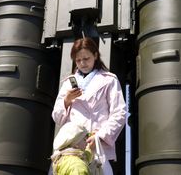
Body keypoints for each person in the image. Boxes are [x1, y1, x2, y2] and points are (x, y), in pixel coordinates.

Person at [52, 37, 126, 173]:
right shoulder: (68, 83)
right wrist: (66, 101)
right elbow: (56, 116)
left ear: (95, 55)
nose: (82, 63)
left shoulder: (109, 80)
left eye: (86, 59)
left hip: (96, 146)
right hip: (70, 150)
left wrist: (101, 135)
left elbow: (119, 113)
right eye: (78, 60)